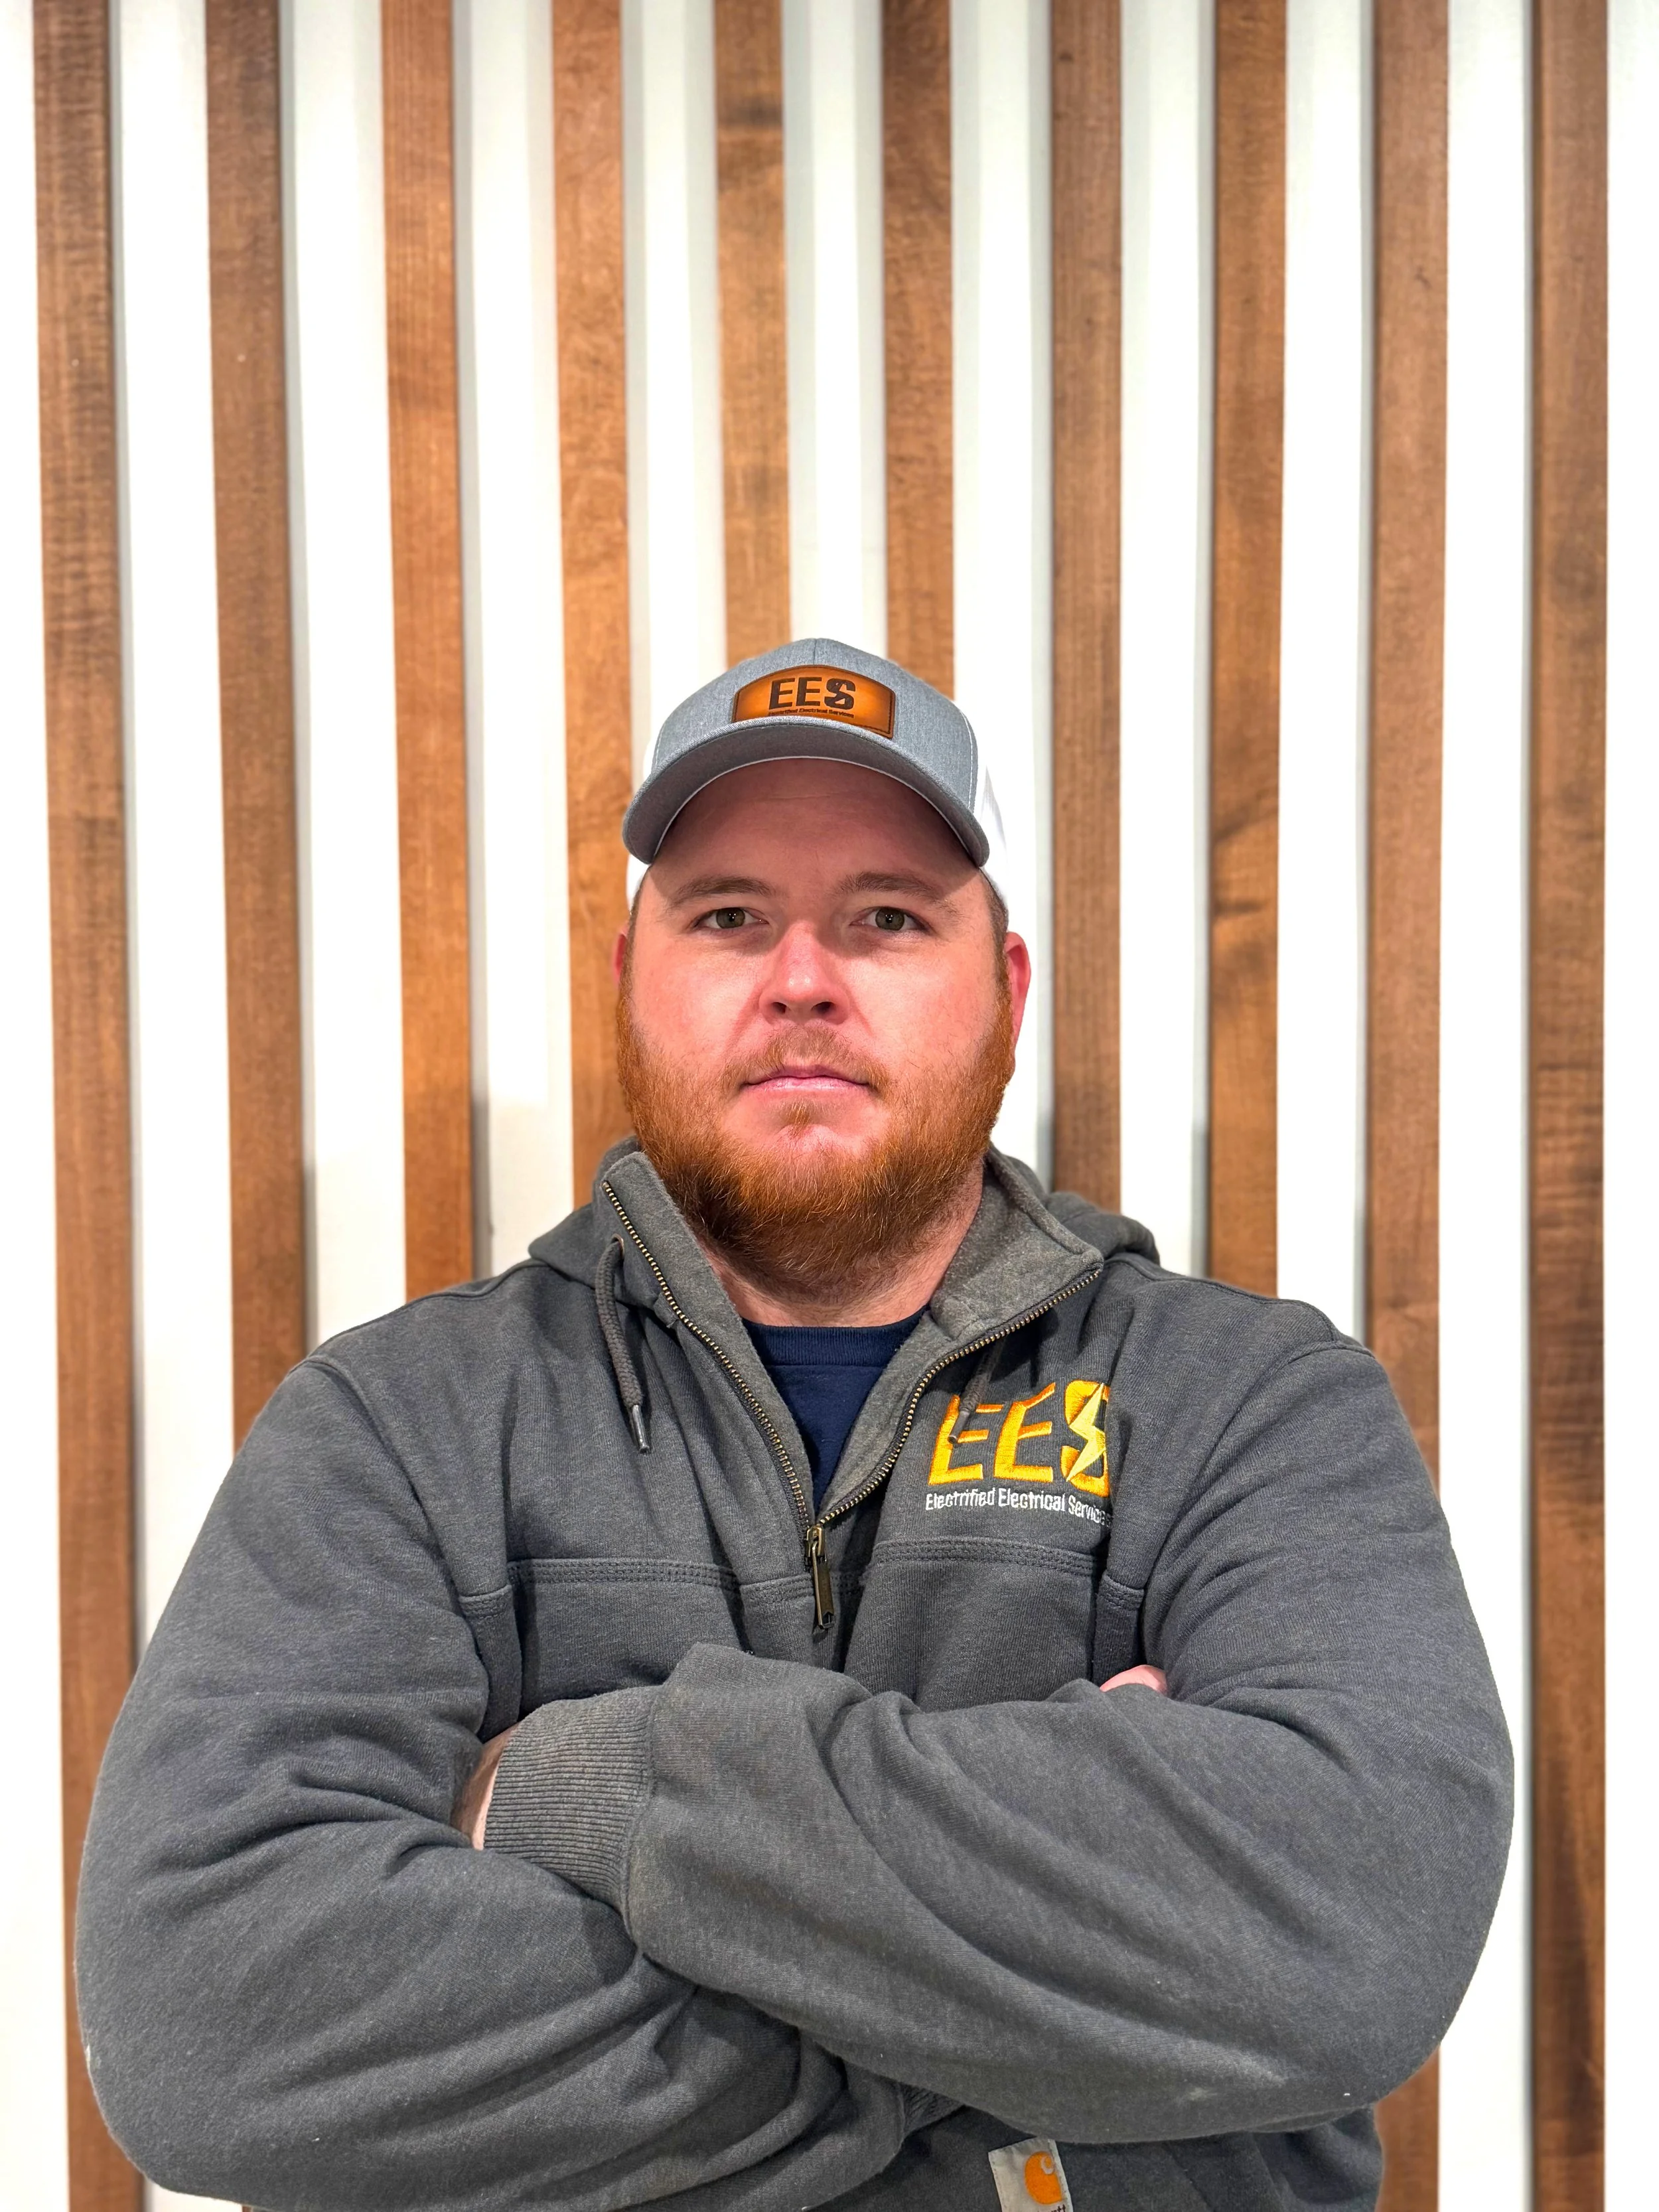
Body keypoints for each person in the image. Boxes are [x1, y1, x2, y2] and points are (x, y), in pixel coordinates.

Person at [78, 640, 1511, 2212]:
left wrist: (594, 1788)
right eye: (728, 916)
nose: (804, 976)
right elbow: (208, 2028)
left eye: (886, 917)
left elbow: (1346, 1936)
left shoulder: (1248, 1402)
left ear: (1006, 992)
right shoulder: (397, 1428)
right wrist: (1045, 2005)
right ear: (632, 975)